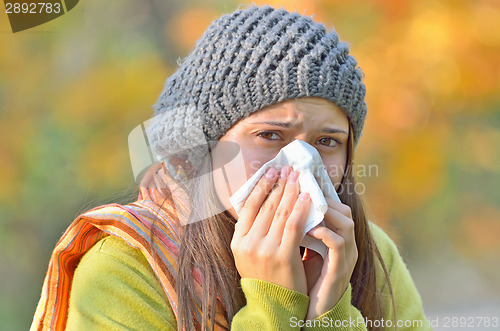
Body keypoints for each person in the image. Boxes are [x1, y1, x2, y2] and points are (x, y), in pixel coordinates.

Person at [31, 5, 431, 331]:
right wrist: (274, 304)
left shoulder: (368, 253)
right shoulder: (126, 268)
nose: (302, 163)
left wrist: (333, 314)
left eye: (327, 142)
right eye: (270, 135)